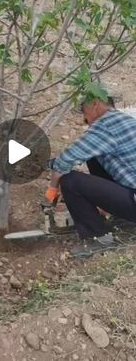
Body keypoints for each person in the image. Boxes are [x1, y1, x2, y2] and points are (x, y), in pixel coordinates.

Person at [45, 91, 136, 258]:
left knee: (70, 181)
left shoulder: (105, 126)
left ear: (95, 103)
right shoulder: (125, 120)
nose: (84, 119)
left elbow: (63, 163)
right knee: (94, 157)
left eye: (83, 110)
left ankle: (98, 239)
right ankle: (122, 218)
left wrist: (51, 192)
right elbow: (82, 154)